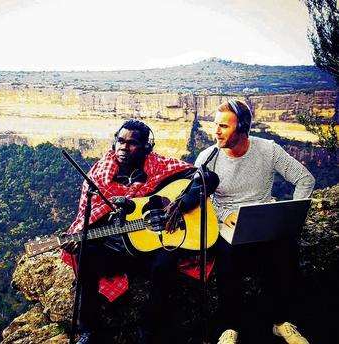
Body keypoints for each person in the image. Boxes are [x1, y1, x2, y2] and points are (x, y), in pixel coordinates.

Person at [61, 119, 219, 344]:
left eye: (132, 143)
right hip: (116, 248)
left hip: (149, 250)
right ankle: (91, 330)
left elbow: (208, 178)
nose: (123, 147)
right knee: (85, 253)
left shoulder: (159, 167)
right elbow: (90, 213)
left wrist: (179, 206)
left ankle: (150, 332)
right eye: (120, 141)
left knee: (167, 261)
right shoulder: (101, 172)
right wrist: (79, 236)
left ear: (146, 147)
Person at [195, 99, 315, 344]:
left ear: (243, 128)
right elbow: (199, 198)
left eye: (224, 126)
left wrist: (291, 215)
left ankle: (281, 322)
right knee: (226, 258)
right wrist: (222, 216)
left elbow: (305, 179)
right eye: (215, 124)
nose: (216, 131)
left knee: (286, 252)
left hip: (263, 221)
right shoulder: (207, 158)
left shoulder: (268, 150)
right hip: (227, 225)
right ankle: (230, 327)